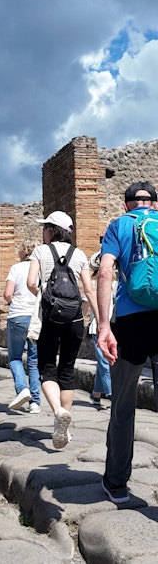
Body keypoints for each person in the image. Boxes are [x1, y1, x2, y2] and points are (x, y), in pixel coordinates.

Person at [97, 181, 158, 504]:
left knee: (122, 405)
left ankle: (117, 483)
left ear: (126, 205)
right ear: (155, 205)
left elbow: (106, 272)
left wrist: (104, 325)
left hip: (131, 322)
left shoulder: (119, 226)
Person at [27, 211, 98, 449]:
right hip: (75, 320)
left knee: (47, 368)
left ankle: (58, 412)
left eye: (45, 227)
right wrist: (91, 316)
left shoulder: (40, 251)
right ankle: (62, 427)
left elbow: (30, 283)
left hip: (49, 319)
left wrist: (47, 299)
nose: (43, 231)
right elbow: (88, 290)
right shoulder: (79, 254)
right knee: (67, 369)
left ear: (53, 229)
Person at [4, 239, 41, 414]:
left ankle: (22, 389)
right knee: (34, 362)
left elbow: (7, 294)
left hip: (17, 317)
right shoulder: (40, 268)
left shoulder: (15, 269)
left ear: (22, 252)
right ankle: (35, 402)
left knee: (15, 357)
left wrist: (13, 302)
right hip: (36, 317)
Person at [87, 251, 114, 406]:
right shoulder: (114, 284)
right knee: (103, 360)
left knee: (103, 361)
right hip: (104, 327)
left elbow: (85, 304)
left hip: (103, 327)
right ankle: (104, 393)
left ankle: (103, 394)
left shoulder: (98, 284)